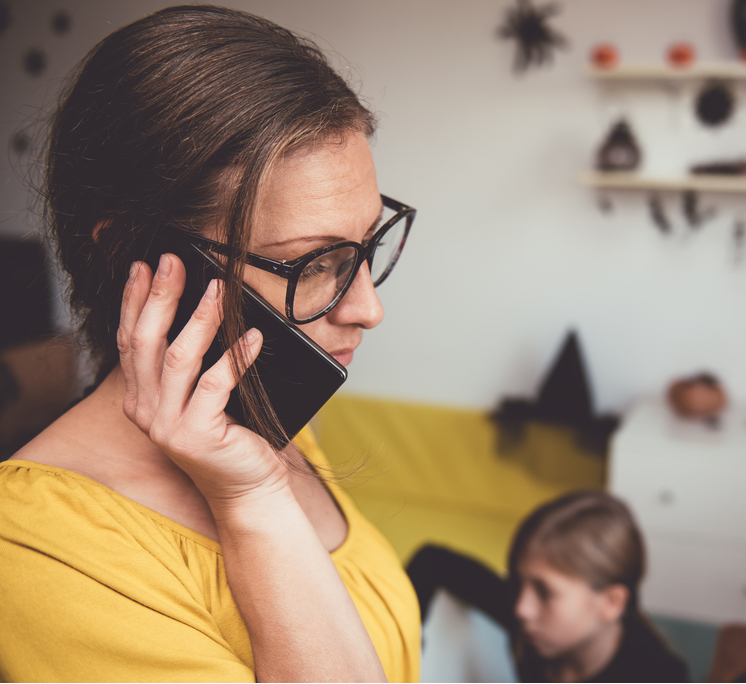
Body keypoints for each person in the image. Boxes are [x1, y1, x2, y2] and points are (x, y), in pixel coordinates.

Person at [0, 6, 420, 682]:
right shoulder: (36, 549)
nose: (369, 309)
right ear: (142, 261)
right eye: (314, 264)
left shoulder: (262, 412)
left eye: (367, 246)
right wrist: (253, 503)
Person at [408, 490, 691, 683]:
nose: (521, 608)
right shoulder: (532, 624)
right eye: (518, 582)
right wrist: (404, 642)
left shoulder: (661, 676)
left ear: (611, 602)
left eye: (545, 592)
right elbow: (432, 560)